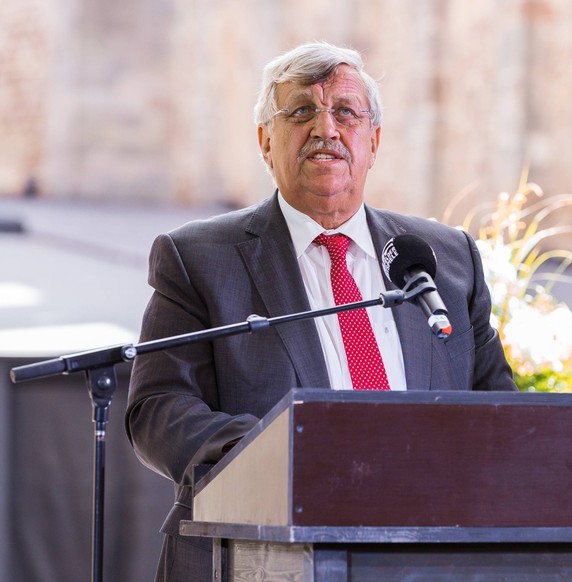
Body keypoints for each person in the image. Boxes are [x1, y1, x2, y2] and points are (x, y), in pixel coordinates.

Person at [124, 41, 516, 582]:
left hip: (428, 554)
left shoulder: (447, 259)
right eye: (301, 111)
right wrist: (283, 454)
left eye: (346, 113)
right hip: (258, 551)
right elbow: (158, 409)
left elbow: (503, 412)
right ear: (266, 140)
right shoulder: (198, 258)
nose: (326, 129)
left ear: (373, 142)